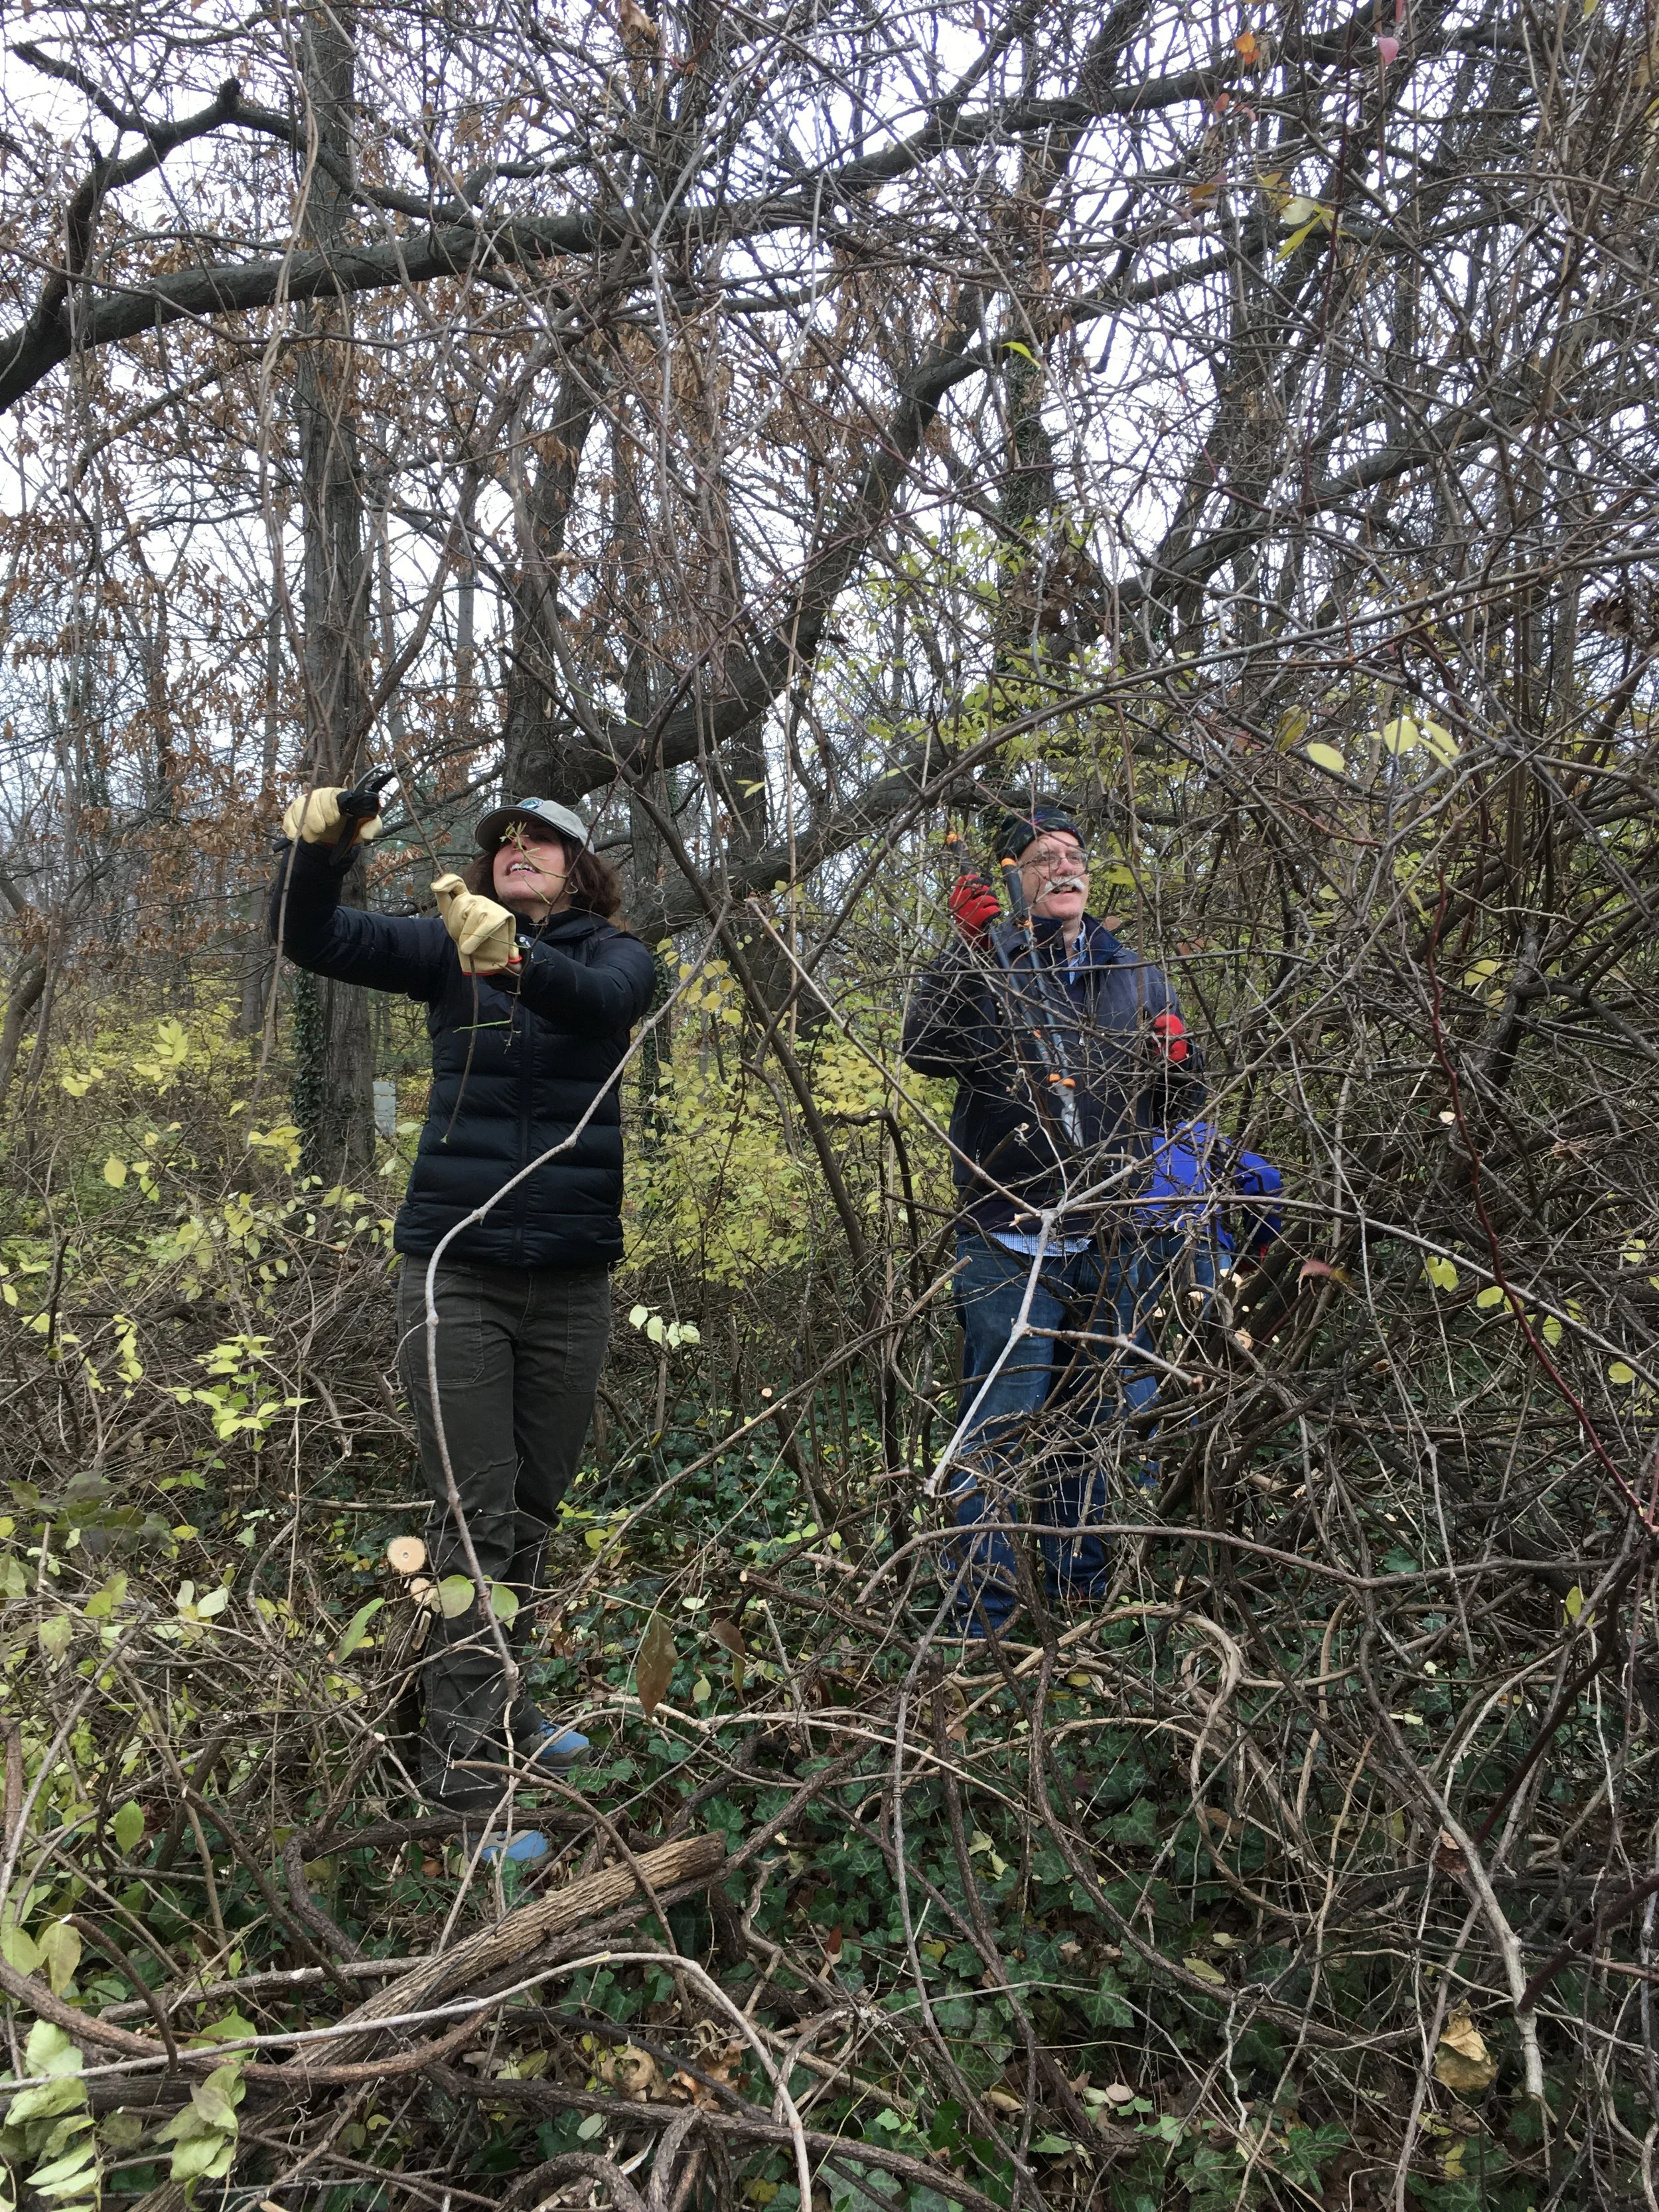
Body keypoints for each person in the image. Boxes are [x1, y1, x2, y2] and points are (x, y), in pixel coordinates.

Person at [271, 788, 656, 1851]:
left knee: (531, 1509)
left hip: (573, 1278)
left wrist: (520, 963)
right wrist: (322, 852)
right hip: (455, 1272)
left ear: (577, 868)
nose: (516, 849)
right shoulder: (442, 949)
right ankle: (464, 1777)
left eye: (539, 840)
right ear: (485, 870)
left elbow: (601, 1003)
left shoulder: (618, 954)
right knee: (475, 1519)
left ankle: (507, 1702)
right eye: (502, 842)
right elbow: (310, 938)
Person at [902, 804, 1277, 1638]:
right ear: (1010, 878)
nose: (1062, 868)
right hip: (1008, 1233)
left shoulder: (1133, 973)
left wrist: (1182, 1060)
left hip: (1116, 1235)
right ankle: (984, 1622)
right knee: (997, 1429)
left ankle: (1082, 1595)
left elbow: (1178, 1102)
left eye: (1072, 855)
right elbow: (924, 1046)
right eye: (1041, 858)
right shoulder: (990, 962)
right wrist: (966, 953)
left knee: (1095, 1422)